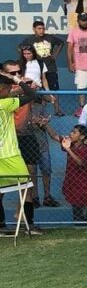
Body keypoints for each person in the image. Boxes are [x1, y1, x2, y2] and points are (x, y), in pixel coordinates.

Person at [0, 69, 38, 234]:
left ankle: (2, 225)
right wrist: (17, 79)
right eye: (8, 89)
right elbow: (31, 95)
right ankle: (25, 220)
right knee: (26, 185)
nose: (10, 92)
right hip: (9, 154)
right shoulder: (5, 104)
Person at [45, 123, 87, 221]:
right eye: (71, 131)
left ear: (82, 137)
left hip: (82, 182)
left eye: (74, 132)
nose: (71, 134)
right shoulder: (69, 143)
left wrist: (68, 150)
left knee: (84, 206)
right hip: (71, 180)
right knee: (75, 207)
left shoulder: (84, 149)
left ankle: (85, 222)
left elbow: (80, 162)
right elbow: (54, 136)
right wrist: (46, 125)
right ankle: (78, 224)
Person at [18, 20, 64, 114]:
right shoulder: (29, 39)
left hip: (50, 67)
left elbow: (61, 43)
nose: (42, 30)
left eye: (43, 28)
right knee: (37, 90)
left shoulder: (50, 37)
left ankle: (57, 109)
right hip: (37, 69)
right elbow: (19, 47)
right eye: (39, 28)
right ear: (34, 29)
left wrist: (55, 55)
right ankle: (39, 112)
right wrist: (27, 57)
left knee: (54, 89)